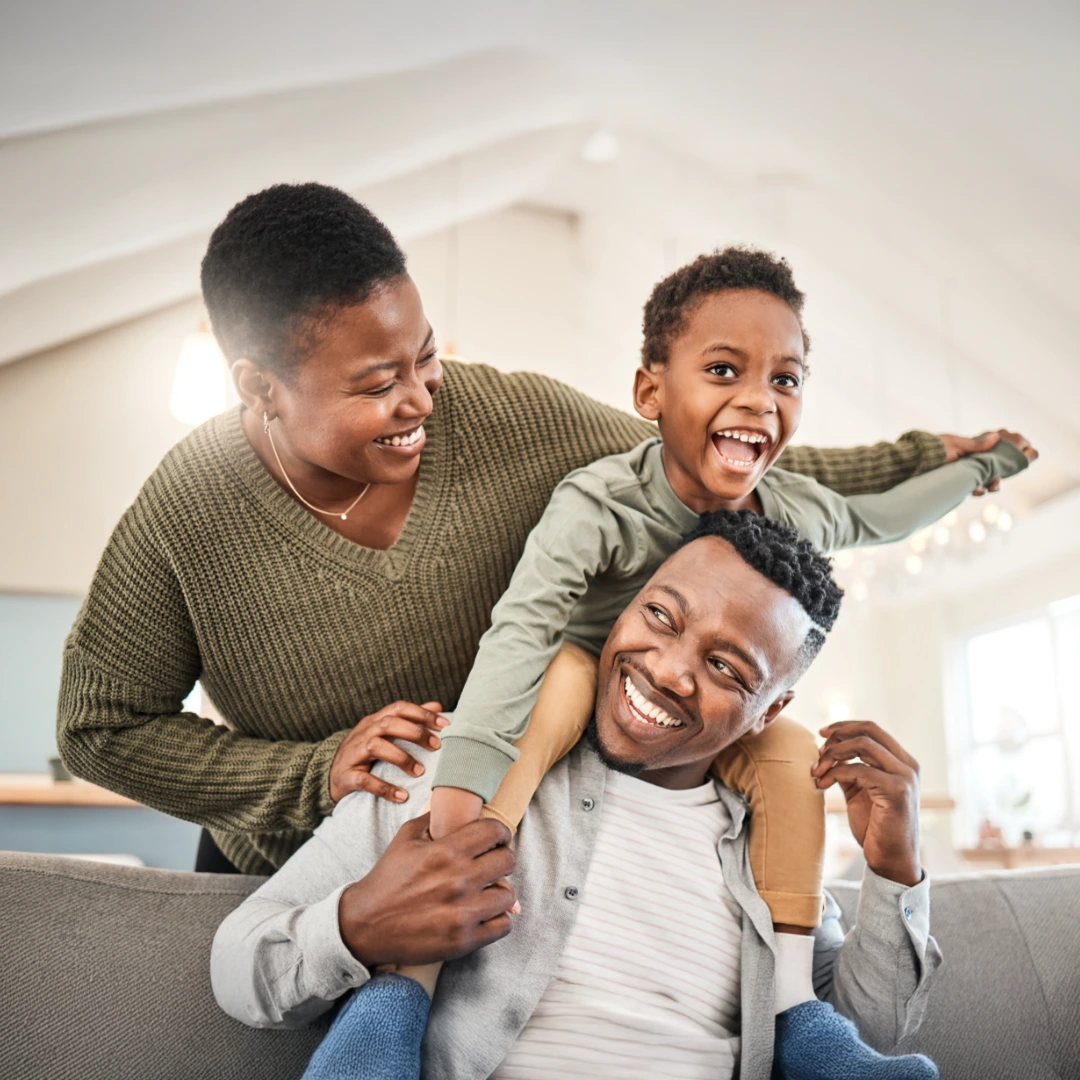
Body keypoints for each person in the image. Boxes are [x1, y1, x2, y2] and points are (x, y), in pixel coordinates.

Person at [56, 184, 974, 878]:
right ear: (260, 388)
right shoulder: (186, 512)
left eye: (424, 356)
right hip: (286, 875)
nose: (420, 399)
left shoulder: (513, 418)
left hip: (493, 851)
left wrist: (929, 457)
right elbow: (101, 726)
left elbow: (717, 454)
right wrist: (312, 774)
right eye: (378, 385)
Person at [360, 248, 1031, 1053]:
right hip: (589, 688)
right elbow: (523, 628)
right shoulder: (601, 502)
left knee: (788, 749)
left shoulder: (790, 509)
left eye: (786, 379)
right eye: (723, 369)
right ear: (650, 391)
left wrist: (982, 466)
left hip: (696, 735)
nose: (758, 398)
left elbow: (885, 516)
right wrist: (455, 808)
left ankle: (798, 1018)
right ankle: (412, 982)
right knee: (565, 673)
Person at [210, 511, 943, 1080]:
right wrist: (358, 925)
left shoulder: (769, 842)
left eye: (726, 666)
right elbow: (240, 968)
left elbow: (860, 1035)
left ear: (769, 714)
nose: (669, 670)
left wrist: (894, 865)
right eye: (661, 616)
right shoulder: (463, 769)